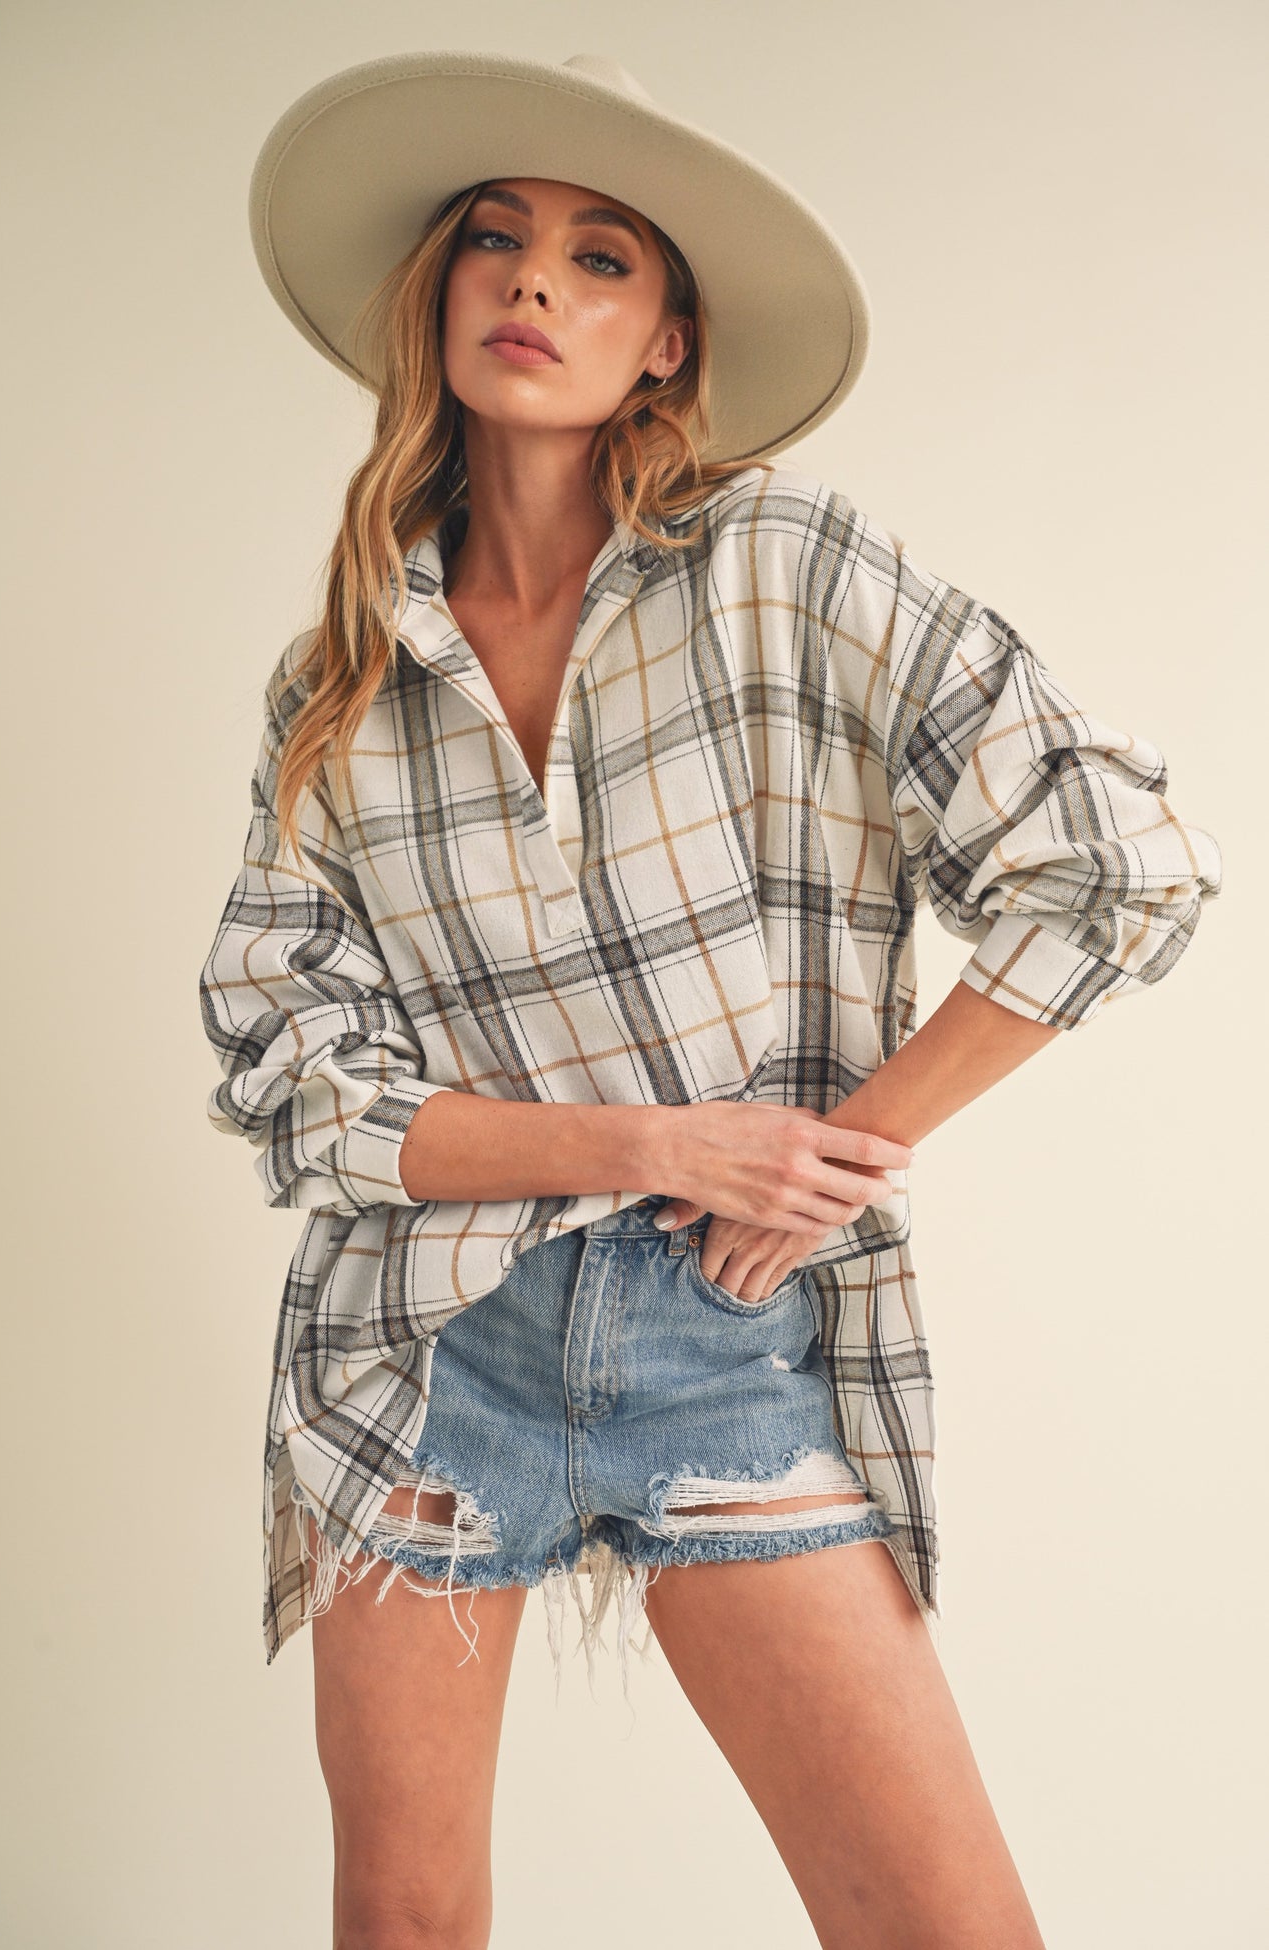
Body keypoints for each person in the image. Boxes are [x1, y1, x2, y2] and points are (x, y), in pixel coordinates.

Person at [198, 50, 1222, 1950]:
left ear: (667, 340)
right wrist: (660, 1141)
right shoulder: (338, 678)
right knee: (402, 1926)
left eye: (601, 258)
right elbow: (290, 1073)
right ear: (439, 291)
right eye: (496, 239)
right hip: (423, 1349)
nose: (535, 280)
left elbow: (1118, 858)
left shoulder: (777, 567)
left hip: (724, 1336)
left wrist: (838, 1154)